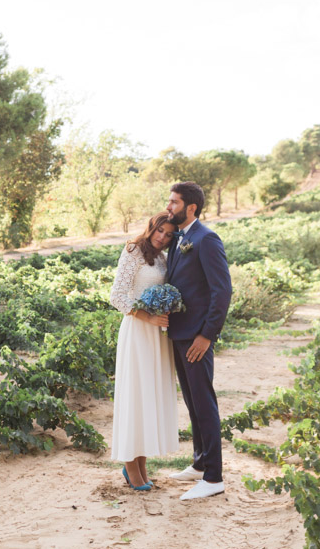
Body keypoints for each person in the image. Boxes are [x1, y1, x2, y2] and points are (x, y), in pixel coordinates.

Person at [164, 181, 232, 500]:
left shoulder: (206, 239)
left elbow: (222, 292)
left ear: (191, 207)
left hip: (196, 337)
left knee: (204, 403)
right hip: (179, 332)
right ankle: (200, 462)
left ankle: (214, 477)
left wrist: (207, 335)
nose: (168, 207)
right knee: (192, 401)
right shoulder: (181, 237)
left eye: (174, 202)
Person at [109, 211, 180, 491]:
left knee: (148, 395)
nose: (162, 237)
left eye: (169, 234)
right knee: (135, 395)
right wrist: (147, 316)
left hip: (158, 336)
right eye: (159, 231)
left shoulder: (163, 258)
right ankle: (129, 463)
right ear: (151, 228)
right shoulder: (133, 251)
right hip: (138, 331)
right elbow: (117, 296)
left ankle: (141, 463)